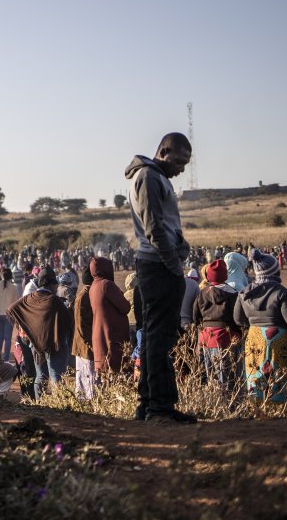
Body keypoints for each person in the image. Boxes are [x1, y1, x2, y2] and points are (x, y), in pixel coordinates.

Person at [125, 133, 195, 422]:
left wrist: (181, 245)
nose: (181, 169)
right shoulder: (148, 177)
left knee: (157, 337)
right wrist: (174, 266)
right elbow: (153, 227)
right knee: (158, 338)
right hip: (158, 267)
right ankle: (159, 407)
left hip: (159, 264)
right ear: (163, 152)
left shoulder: (156, 177)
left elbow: (165, 227)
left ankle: (148, 405)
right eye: (179, 161)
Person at [233, 251, 287, 405]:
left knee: (255, 375)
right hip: (280, 345)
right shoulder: (281, 293)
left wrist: (255, 327)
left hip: (253, 342)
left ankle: (256, 407)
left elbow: (238, 319)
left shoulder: (244, 293)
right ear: (274, 271)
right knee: (279, 379)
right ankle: (281, 408)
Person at [7, 267, 73, 401]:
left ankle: (39, 403)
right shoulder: (54, 300)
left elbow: (10, 310)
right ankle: (58, 407)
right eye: (55, 284)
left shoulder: (29, 298)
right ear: (52, 284)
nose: (56, 287)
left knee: (41, 376)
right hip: (55, 345)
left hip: (36, 346)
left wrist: (28, 327)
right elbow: (68, 321)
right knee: (56, 377)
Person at [191, 259, 239, 386]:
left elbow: (196, 318)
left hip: (205, 340)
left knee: (207, 380)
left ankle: (210, 405)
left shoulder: (202, 293)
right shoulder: (233, 294)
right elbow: (238, 318)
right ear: (225, 275)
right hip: (225, 339)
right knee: (227, 382)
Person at [89, 256, 132, 379]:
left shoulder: (93, 286)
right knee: (116, 375)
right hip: (111, 336)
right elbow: (125, 307)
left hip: (100, 336)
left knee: (105, 377)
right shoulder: (106, 285)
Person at [72, 264, 96, 399]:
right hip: (84, 345)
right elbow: (82, 324)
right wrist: (90, 343)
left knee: (82, 376)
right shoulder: (84, 296)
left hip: (82, 344)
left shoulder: (84, 294)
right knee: (88, 376)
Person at [0, 268, 18, 361]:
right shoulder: (14, 288)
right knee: (8, 338)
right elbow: (16, 303)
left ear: (1, 275)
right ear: (11, 276)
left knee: (0, 337)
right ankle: (6, 360)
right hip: (9, 315)